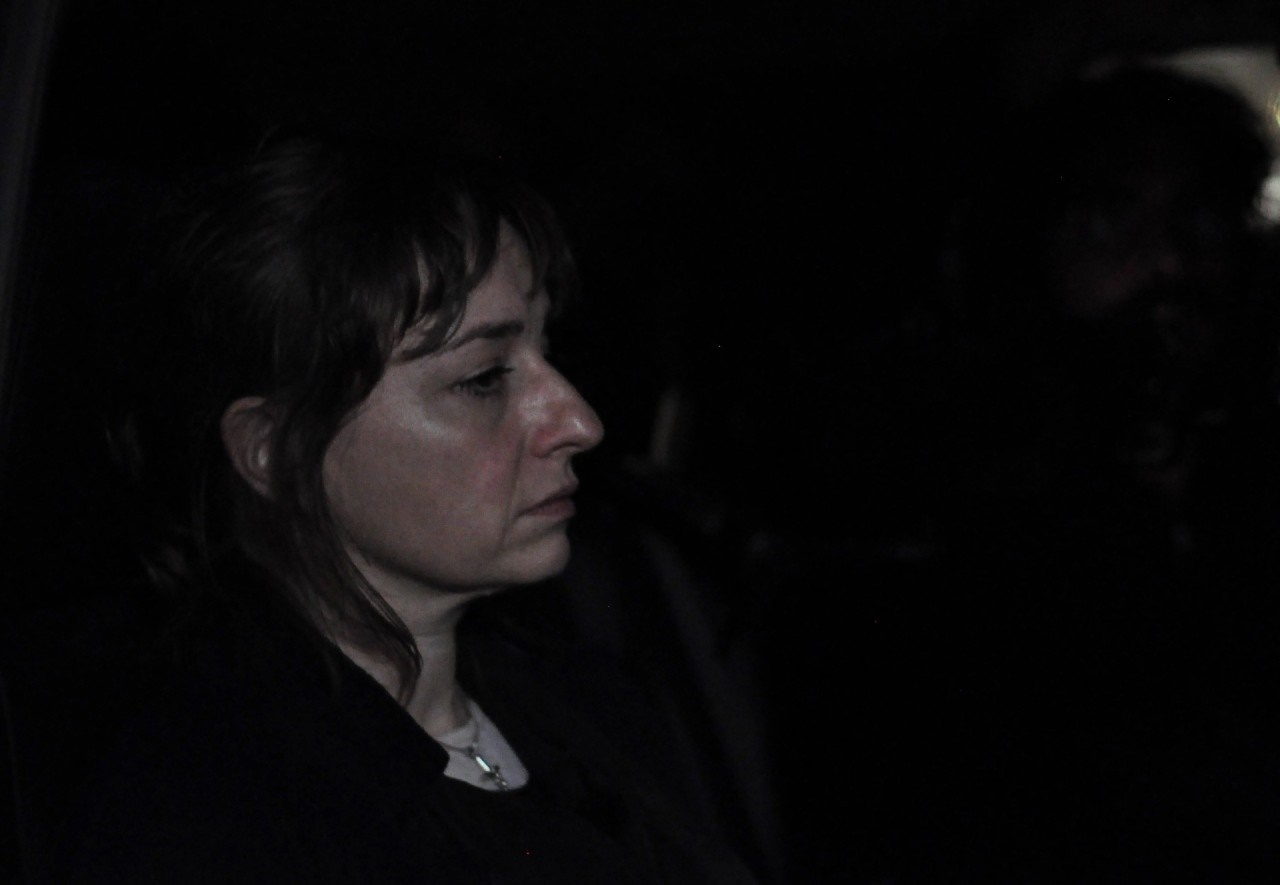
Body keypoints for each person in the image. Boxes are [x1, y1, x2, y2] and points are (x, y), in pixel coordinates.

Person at [30, 132, 761, 884]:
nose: (579, 421)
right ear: (275, 450)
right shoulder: (210, 820)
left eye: (547, 349)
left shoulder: (590, 705)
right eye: (483, 378)